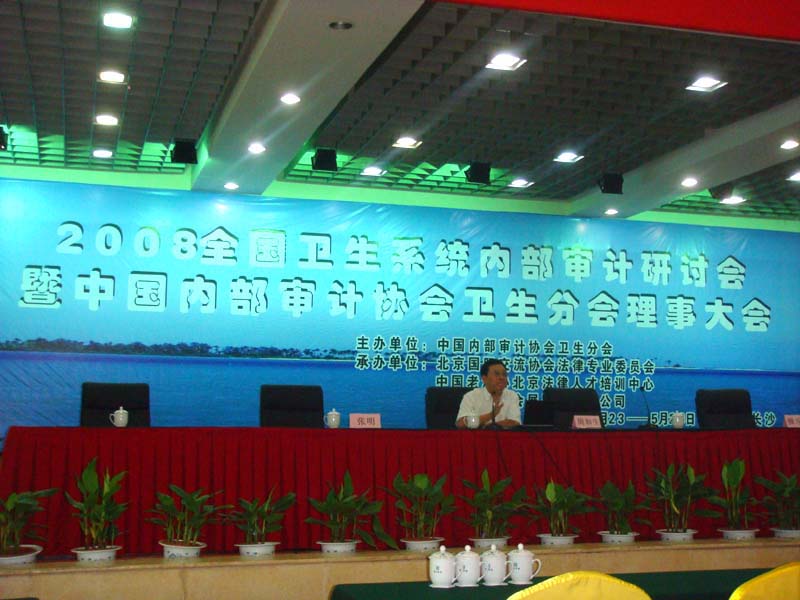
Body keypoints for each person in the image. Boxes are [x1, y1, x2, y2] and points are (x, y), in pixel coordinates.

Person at [455, 358, 521, 429]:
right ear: (484, 378)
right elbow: (460, 423)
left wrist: (489, 427)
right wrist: (490, 415)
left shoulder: (512, 396)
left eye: (504, 374)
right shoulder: (471, 396)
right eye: (497, 374)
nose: (502, 378)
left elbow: (515, 423)